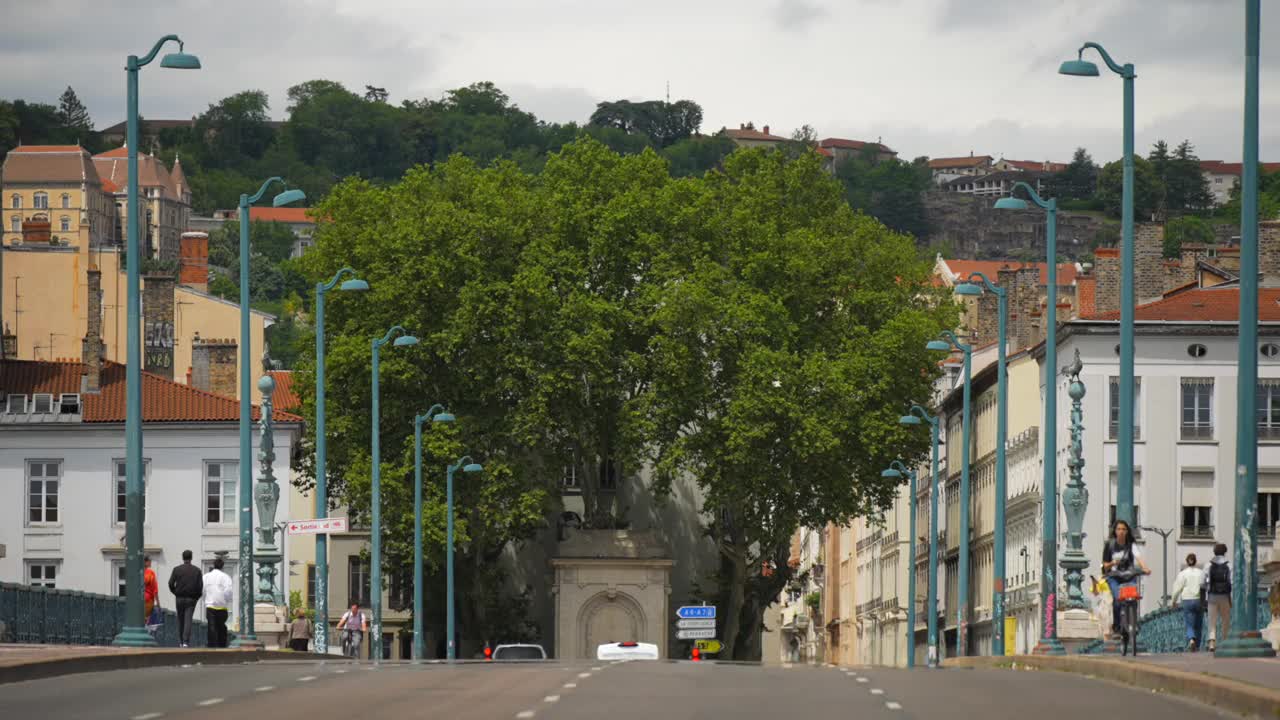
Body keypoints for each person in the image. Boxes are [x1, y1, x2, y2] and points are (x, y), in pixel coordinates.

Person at [1101, 519, 1151, 639]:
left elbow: (1139, 558)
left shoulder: (1131, 545)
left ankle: (1133, 622)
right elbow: (1104, 565)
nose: (1121, 532)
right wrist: (1113, 562)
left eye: (1124, 529)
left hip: (1129, 576)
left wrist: (1145, 568)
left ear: (1127, 531)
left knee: (1133, 597)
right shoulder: (1110, 545)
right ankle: (1117, 627)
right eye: (1119, 529)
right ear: (1115, 531)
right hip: (1114, 577)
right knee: (1118, 599)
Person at [1170, 552, 1206, 651]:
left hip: (1187, 600)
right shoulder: (1201, 572)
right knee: (1198, 624)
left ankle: (1191, 640)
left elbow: (1177, 588)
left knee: (1189, 624)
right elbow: (1205, 586)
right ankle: (1197, 645)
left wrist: (1173, 601)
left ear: (1187, 562)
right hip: (1199, 600)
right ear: (1195, 561)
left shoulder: (1183, 573)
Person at [168, 550, 203, 648]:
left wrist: (175, 592)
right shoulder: (197, 571)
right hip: (191, 599)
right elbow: (200, 587)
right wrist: (196, 598)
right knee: (188, 619)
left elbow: (171, 583)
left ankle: (180, 641)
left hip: (179, 598)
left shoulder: (176, 569)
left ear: (183, 558)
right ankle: (185, 642)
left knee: (180, 619)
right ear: (191, 558)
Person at [1203, 542, 1232, 651]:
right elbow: (1232, 582)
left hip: (1212, 596)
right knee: (1225, 619)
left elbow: (1202, 582)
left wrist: (1205, 595)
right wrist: (1231, 598)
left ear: (1214, 552)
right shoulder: (1229, 564)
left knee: (1212, 620)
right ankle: (1224, 640)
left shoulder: (1208, 565)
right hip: (1225, 596)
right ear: (1225, 552)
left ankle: (1212, 642)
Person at [202, 557, 234, 648]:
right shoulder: (226, 577)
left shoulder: (206, 577)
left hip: (210, 606)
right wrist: (226, 600)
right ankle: (222, 645)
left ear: (213, 565)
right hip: (222, 607)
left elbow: (202, 590)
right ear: (222, 567)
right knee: (221, 626)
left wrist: (206, 600)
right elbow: (228, 591)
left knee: (211, 626)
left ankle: (212, 645)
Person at [142, 556, 159, 623]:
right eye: (149, 561)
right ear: (145, 562)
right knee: (147, 620)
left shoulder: (138, 572)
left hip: (138, 600)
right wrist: (158, 602)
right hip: (148, 600)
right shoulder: (150, 573)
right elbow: (155, 589)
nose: (150, 562)